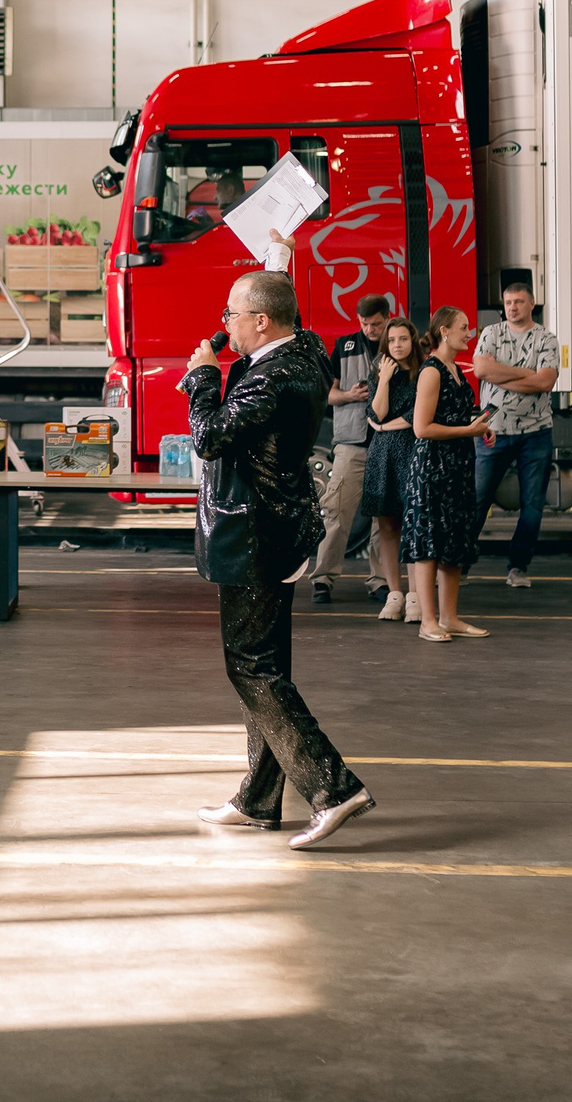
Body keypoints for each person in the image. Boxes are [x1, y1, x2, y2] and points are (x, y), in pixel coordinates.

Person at [185, 271, 377, 850]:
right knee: (267, 668)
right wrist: (279, 255)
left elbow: (209, 435)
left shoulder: (269, 377)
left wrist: (200, 378)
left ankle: (332, 788)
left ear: (261, 321)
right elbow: (282, 302)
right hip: (279, 529)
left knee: (251, 668)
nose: (225, 325)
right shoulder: (307, 352)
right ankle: (259, 798)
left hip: (255, 536)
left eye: (231, 314)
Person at [406, 307, 496, 642]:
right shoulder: (432, 371)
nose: (468, 333)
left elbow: (457, 416)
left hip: (457, 464)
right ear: (444, 331)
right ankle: (428, 620)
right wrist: (466, 431)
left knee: (455, 538)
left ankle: (449, 616)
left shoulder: (455, 369)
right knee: (430, 540)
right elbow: (421, 428)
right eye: (463, 328)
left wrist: (480, 428)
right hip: (432, 466)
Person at [472, 278, 560, 589]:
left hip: (536, 433)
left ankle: (518, 568)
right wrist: (527, 374)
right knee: (478, 499)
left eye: (519, 302)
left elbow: (545, 383)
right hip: (492, 430)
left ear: (531, 304)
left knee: (533, 504)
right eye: (508, 303)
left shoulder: (546, 339)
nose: (512, 308)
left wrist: (503, 376)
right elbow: (482, 371)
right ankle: (461, 564)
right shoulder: (491, 333)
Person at [310, 295, 390, 606]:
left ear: (387, 318)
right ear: (358, 321)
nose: (371, 329)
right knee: (335, 513)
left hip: (387, 445)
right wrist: (348, 394)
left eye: (377, 324)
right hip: (351, 443)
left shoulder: (399, 345)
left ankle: (380, 581)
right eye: (365, 324)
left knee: (382, 519)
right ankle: (322, 580)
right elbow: (326, 395)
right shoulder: (344, 346)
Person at [362, 316, 424, 622]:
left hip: (411, 452)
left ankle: (416, 596)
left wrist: (384, 425)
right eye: (392, 340)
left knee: (412, 526)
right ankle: (394, 594)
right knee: (387, 526)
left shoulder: (423, 372)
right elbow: (376, 412)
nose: (398, 345)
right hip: (383, 455)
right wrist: (384, 380)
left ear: (412, 341)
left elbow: (417, 416)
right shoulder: (378, 372)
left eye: (403, 339)